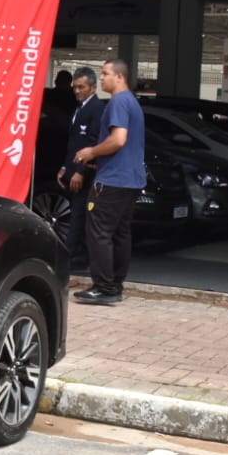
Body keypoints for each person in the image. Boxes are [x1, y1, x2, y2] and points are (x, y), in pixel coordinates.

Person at [71, 58, 146, 305]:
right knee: (120, 233)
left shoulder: (118, 102)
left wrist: (91, 152)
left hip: (113, 180)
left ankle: (104, 287)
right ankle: (115, 284)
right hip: (131, 180)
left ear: (120, 77)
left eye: (105, 74)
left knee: (99, 233)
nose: (101, 78)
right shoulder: (133, 102)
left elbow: (118, 139)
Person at [56, 66, 105, 267]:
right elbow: (75, 142)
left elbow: (93, 143)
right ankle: (81, 256)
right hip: (73, 168)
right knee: (79, 214)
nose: (77, 91)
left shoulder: (97, 109)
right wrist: (65, 167)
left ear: (93, 88)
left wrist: (80, 172)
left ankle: (67, 259)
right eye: (75, 87)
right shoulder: (80, 108)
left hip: (87, 172)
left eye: (82, 87)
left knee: (78, 214)